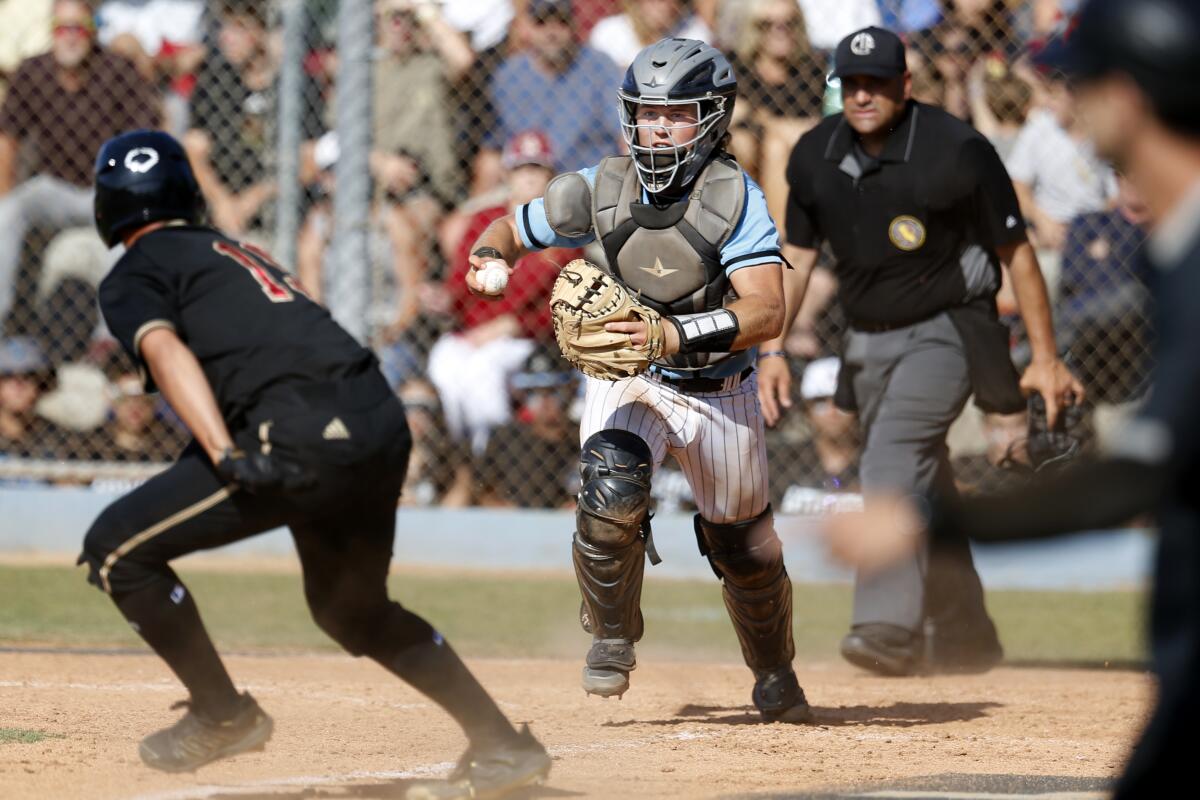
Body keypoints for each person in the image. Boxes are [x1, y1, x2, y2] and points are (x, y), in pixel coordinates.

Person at [77, 130, 551, 798]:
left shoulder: (134, 270)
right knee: (349, 608)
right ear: (186, 192)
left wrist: (221, 452)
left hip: (299, 430)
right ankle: (501, 745)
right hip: (377, 417)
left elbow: (165, 352)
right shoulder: (237, 252)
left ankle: (223, 715)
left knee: (116, 548)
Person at [825, 2, 1200, 793]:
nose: (1061, 96)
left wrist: (930, 519)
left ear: (1126, 97)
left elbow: (1135, 475)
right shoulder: (1174, 249)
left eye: (1077, 78)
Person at [464, 38, 812, 723]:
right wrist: (487, 255)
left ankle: (774, 669)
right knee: (608, 488)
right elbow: (513, 227)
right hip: (634, 374)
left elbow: (767, 310)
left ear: (713, 117)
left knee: (745, 551)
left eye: (677, 113)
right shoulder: (603, 186)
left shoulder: (731, 195)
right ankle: (613, 636)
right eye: (646, 111)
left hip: (720, 388)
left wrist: (675, 332)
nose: (657, 126)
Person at [760, 25, 1082, 676]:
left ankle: (885, 627)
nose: (863, 95)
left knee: (890, 460)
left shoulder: (957, 149)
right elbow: (796, 255)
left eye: (877, 81)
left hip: (948, 329)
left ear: (905, 85)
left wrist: (1044, 359)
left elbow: (1016, 255)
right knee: (922, 477)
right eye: (851, 84)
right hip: (866, 339)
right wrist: (770, 349)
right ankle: (966, 630)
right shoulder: (815, 154)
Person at [0, 0, 159, 327]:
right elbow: (7, 138)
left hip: (107, 191)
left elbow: (143, 141)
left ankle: (112, 339)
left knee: (129, 232)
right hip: (55, 187)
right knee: (8, 212)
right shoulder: (34, 71)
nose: (69, 37)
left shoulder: (116, 71)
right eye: (61, 28)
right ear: (51, 33)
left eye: (78, 27)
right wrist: (5, 192)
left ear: (92, 31)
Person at [475, 0, 623, 194]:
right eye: (542, 23)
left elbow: (625, 138)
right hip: (527, 188)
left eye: (561, 22)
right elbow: (492, 152)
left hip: (590, 185)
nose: (551, 33)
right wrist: (477, 210)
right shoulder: (509, 75)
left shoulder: (600, 67)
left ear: (573, 26)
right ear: (528, 28)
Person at [476, 347, 579, 508]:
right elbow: (482, 491)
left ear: (570, 390)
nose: (544, 402)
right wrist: (506, 512)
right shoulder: (506, 437)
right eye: (534, 392)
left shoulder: (584, 437)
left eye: (552, 391)